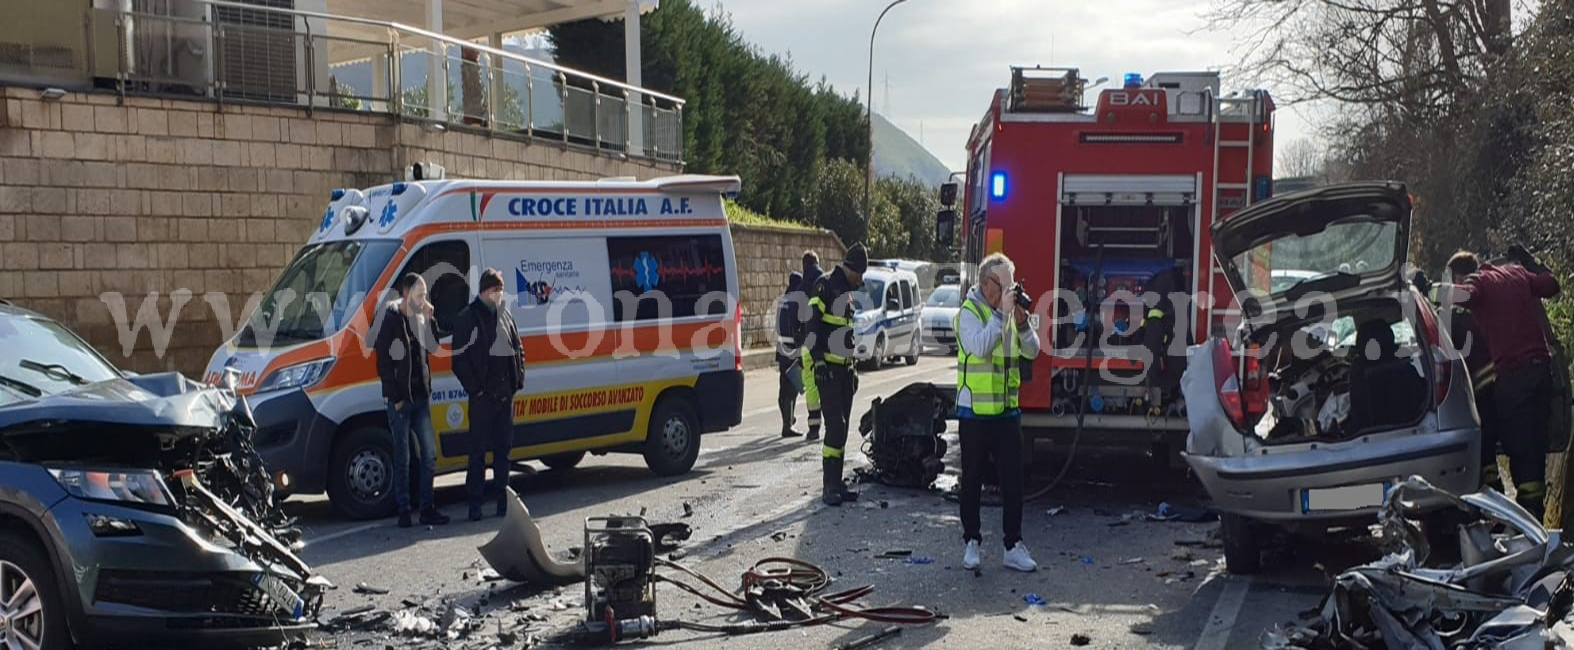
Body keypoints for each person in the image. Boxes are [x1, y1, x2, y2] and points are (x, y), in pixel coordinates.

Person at [1447, 248, 1561, 517]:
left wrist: (1434, 292)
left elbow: (1464, 295)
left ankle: (1527, 515)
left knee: (1520, 446)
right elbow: (1552, 284)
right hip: (1541, 371)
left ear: (1462, 277)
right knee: (1535, 441)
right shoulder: (1517, 272)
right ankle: (1534, 510)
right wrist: (1531, 261)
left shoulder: (1478, 282)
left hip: (1514, 375)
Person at [956, 252, 1040, 573]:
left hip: (1006, 411)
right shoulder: (969, 311)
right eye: (1002, 284)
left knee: (1013, 481)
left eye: (1011, 284)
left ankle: (1012, 545)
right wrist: (1000, 316)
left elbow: (1032, 351)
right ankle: (972, 542)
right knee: (972, 479)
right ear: (985, 282)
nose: (1008, 290)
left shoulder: (1007, 313)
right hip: (975, 411)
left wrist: (1023, 325)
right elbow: (978, 346)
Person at [374, 273, 451, 528]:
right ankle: (404, 510)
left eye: (425, 295)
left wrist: (431, 319)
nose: (424, 299)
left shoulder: (420, 317)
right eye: (420, 295)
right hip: (400, 401)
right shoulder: (391, 320)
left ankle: (427, 508)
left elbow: (433, 347)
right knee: (403, 456)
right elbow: (383, 364)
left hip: (421, 398)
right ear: (407, 295)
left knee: (429, 455)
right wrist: (395, 398)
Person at [454, 268, 526, 521]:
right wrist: (477, 389)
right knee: (477, 454)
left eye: (502, 289)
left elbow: (518, 348)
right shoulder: (468, 318)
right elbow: (460, 361)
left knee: (503, 453)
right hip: (483, 398)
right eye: (497, 289)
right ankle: (475, 504)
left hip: (505, 396)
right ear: (485, 291)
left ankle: (503, 503)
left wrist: (518, 381)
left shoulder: (504, 315)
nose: (500, 294)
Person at [808, 243, 867, 506]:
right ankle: (828, 485)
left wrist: (853, 368)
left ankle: (838, 483)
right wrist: (818, 362)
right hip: (828, 371)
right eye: (860, 275)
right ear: (852, 269)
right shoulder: (825, 286)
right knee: (835, 426)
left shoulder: (847, 293)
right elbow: (810, 327)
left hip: (844, 371)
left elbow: (846, 332)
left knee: (842, 430)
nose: (861, 281)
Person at [797, 251, 826, 441]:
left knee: (810, 384)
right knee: (828, 382)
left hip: (807, 343)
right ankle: (832, 424)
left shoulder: (801, 287)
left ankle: (814, 427)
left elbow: (796, 317)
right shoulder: (826, 282)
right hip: (826, 342)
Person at [776, 271, 805, 438]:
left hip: (781, 348)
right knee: (793, 388)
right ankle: (787, 426)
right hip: (793, 349)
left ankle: (787, 419)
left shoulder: (782, 301)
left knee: (783, 387)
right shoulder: (797, 302)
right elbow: (798, 327)